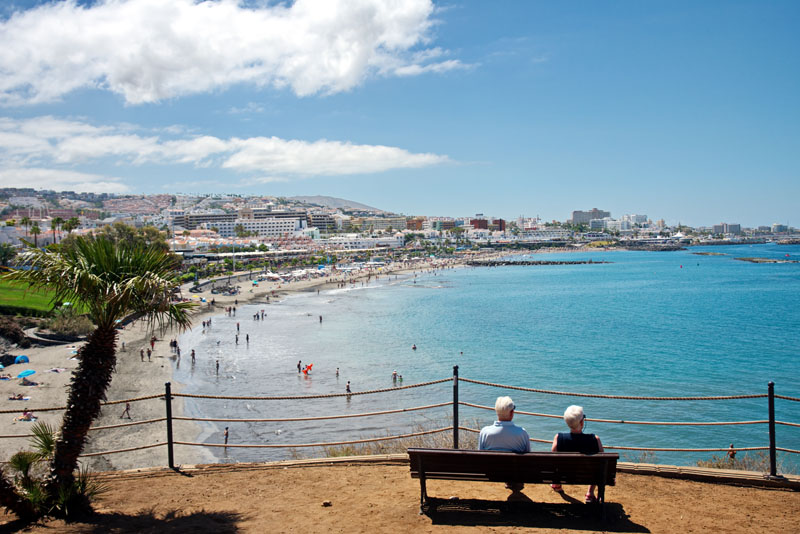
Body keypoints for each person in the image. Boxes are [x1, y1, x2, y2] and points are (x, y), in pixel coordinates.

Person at [551, 405, 604, 503]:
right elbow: (602, 462)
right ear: (582, 422)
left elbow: (553, 459)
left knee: (557, 463)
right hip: (588, 476)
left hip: (565, 475)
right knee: (597, 468)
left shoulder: (558, 438)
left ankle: (557, 484)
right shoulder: (594, 440)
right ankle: (590, 493)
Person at [479, 396, 530, 494]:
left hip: (492, 473)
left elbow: (481, 455)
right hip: (515, 474)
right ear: (511, 413)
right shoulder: (522, 433)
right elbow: (528, 456)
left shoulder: (485, 432)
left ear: (496, 411)